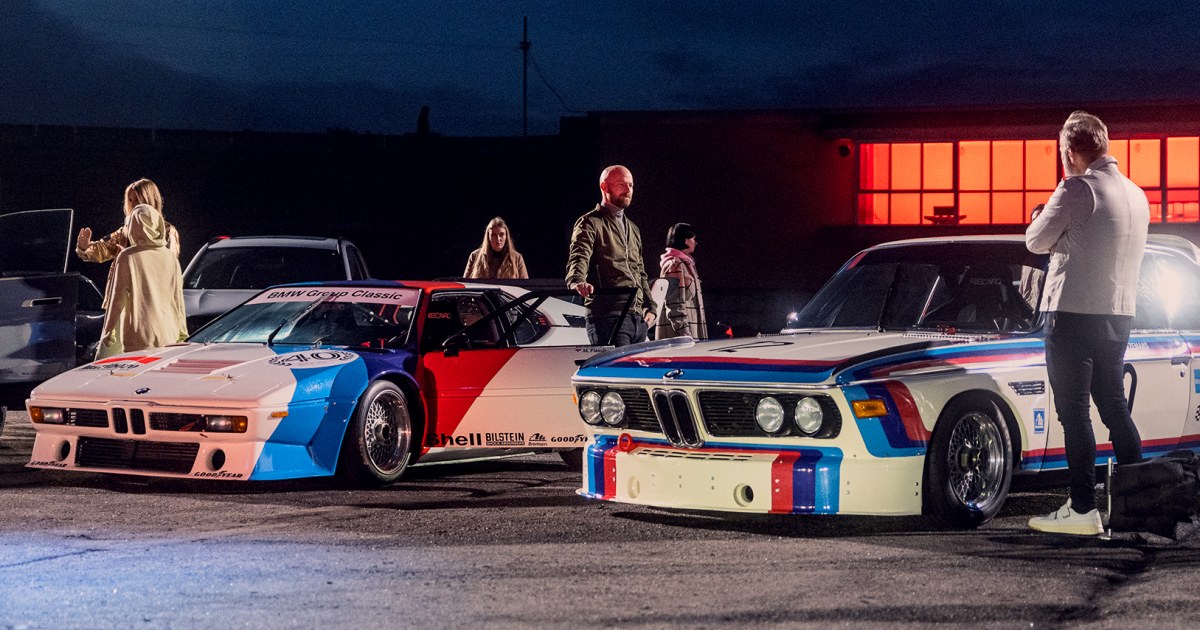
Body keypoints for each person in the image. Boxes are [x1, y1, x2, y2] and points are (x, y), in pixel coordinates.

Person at [1025, 111, 1149, 536]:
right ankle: (1140, 503)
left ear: (1071, 150)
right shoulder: (1136, 194)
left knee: (1074, 412)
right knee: (1114, 405)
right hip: (1120, 312)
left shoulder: (1077, 188)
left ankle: (1083, 509)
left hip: (1072, 314)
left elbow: (1036, 240)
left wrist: (1046, 217)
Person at [566, 165, 656, 346]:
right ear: (604, 187)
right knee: (619, 374)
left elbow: (640, 270)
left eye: (631, 185)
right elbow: (579, 255)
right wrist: (576, 280)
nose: (628, 190)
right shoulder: (590, 222)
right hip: (609, 317)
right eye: (622, 184)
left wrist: (651, 308)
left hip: (636, 319)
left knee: (637, 374)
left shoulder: (633, 228)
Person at [94, 202, 189, 359]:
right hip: (168, 333)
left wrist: (109, 330)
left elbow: (117, 299)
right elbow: (177, 298)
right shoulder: (170, 257)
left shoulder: (127, 257)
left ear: (133, 227)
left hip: (138, 336)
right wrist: (182, 331)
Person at [76, 178, 181, 262]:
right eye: (130, 200)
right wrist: (85, 247)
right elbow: (104, 249)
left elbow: (169, 266)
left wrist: (130, 259)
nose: (133, 204)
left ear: (150, 200)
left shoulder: (167, 231)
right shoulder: (125, 231)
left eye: (137, 199)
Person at [655, 222, 708, 340]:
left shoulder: (686, 264)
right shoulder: (675, 264)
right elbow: (674, 303)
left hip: (689, 335)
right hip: (681, 338)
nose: (696, 242)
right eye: (693, 238)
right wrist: (684, 333)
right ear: (685, 240)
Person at [463, 216, 528, 279]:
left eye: (501, 234)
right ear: (488, 237)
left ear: (506, 236)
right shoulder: (474, 256)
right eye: (493, 235)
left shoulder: (517, 258)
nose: (498, 239)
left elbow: (525, 285)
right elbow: (465, 284)